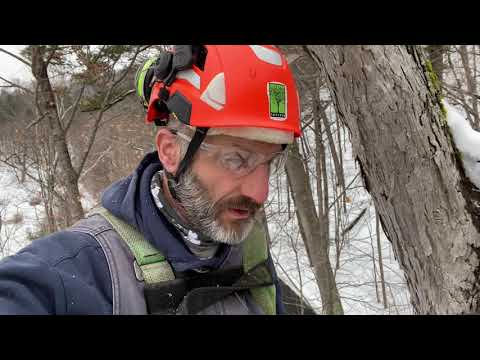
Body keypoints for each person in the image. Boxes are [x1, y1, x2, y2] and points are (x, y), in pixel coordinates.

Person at [0, 45, 301, 315]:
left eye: (270, 162)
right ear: (171, 152)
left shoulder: (248, 248)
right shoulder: (86, 270)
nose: (260, 192)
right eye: (236, 159)